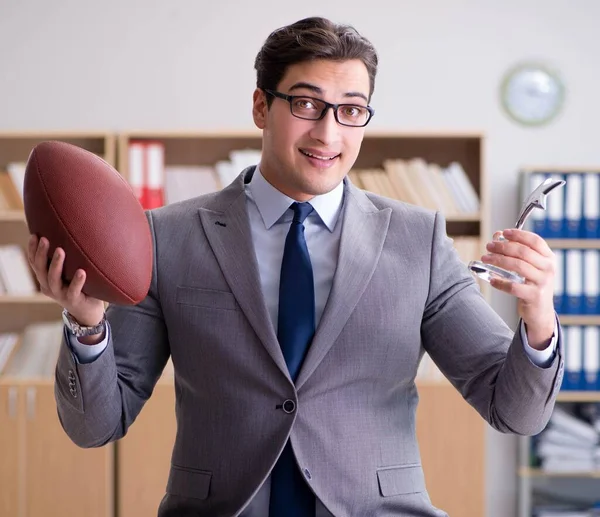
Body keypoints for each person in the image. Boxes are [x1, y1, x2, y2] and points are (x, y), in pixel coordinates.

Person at [28, 16, 563, 517]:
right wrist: (86, 323)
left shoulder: (417, 239)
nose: (329, 133)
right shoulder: (167, 236)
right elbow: (95, 426)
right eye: (307, 104)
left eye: (351, 110)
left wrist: (538, 316)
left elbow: (512, 410)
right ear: (261, 106)